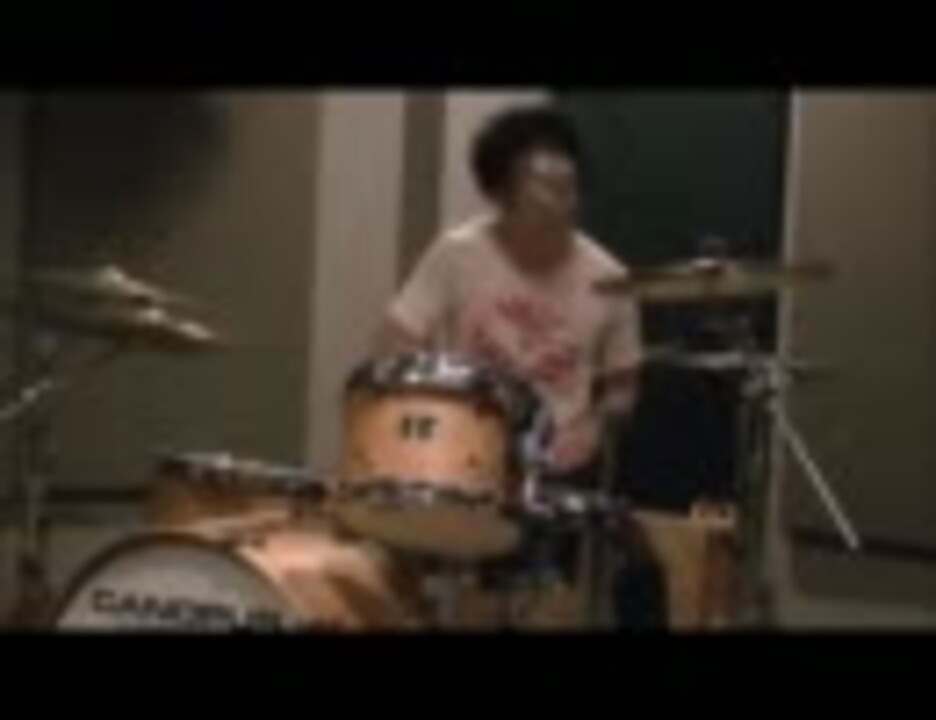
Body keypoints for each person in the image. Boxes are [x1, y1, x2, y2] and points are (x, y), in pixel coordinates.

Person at [376, 104, 666, 628]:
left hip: (557, 463)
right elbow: (397, 340)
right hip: (462, 450)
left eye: (570, 187)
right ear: (502, 191)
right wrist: (423, 406)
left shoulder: (611, 277)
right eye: (546, 187)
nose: (564, 200)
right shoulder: (457, 253)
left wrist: (596, 424)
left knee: (560, 601)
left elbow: (624, 388)